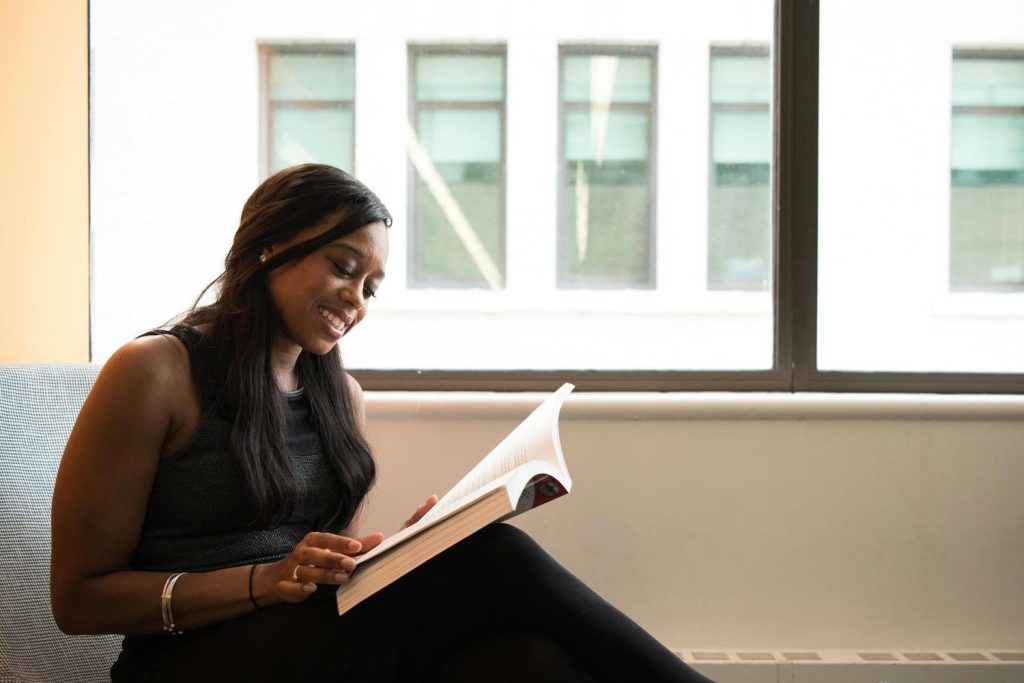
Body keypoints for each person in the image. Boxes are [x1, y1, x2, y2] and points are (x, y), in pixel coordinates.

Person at [50, 163, 713, 683]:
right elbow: (78, 600)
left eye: (371, 286)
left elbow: (320, 576)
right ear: (269, 246)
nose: (355, 298)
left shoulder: (341, 396)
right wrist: (263, 580)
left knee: (521, 664)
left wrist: (399, 553)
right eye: (342, 265)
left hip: (301, 649)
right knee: (494, 558)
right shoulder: (155, 371)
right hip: (185, 666)